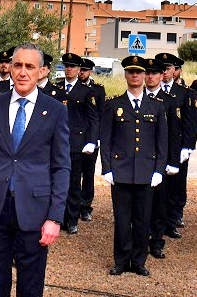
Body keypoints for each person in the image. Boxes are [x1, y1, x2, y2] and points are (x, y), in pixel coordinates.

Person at [0, 43, 70, 297]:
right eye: (18, 65)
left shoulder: (55, 110)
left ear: (42, 71)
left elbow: (61, 168)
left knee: (30, 289)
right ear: (10, 68)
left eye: (30, 66)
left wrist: (55, 217)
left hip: (35, 212)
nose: (22, 72)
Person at [100, 55, 167, 276]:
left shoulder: (156, 106)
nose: (136, 75)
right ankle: (121, 260)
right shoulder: (113, 105)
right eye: (131, 72)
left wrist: (159, 170)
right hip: (121, 171)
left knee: (142, 219)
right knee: (121, 219)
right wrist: (107, 168)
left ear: (145, 75)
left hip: (146, 173)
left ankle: (138, 261)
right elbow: (106, 139)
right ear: (126, 75)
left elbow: (162, 141)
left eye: (139, 72)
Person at [56, 52, 99, 235]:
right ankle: (58, 218)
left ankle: (71, 219)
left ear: (78, 69)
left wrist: (91, 141)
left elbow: (93, 118)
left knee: (74, 184)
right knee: (57, 183)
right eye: (66, 66)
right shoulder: (57, 88)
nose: (69, 69)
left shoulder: (86, 90)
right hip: (57, 142)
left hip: (76, 143)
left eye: (72, 66)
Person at [144, 57, 182, 259]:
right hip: (141, 159)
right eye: (147, 73)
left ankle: (157, 241)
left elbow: (174, 134)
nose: (150, 77)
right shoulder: (138, 97)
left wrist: (173, 161)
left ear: (161, 76)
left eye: (154, 73)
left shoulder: (169, 101)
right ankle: (140, 240)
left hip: (160, 160)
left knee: (160, 204)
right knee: (141, 204)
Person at [158, 52, 197, 232]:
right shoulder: (151, 92)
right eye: (162, 69)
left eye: (167, 69)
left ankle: (173, 219)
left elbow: (190, 123)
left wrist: (187, 147)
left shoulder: (185, 93)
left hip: (178, 146)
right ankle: (158, 219)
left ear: (175, 71)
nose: (164, 73)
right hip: (158, 146)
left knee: (177, 185)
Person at [78, 58, 105, 222]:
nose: (82, 73)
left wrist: (98, 138)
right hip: (75, 137)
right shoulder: (74, 88)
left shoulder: (98, 90)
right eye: (80, 69)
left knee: (88, 174)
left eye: (85, 70)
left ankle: (86, 206)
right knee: (73, 174)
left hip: (91, 137)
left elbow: (101, 114)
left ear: (90, 72)